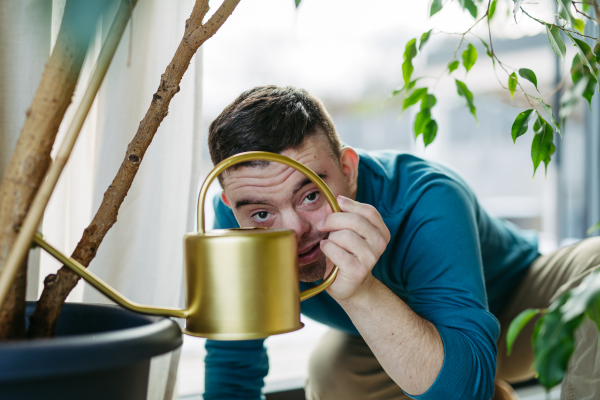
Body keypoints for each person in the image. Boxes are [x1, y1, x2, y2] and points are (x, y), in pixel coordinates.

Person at [202, 85, 600, 400]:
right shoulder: (238, 223)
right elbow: (232, 369)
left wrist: (360, 294)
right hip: (408, 337)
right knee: (333, 373)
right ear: (232, 205)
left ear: (348, 169)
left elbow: (465, 389)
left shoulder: (426, 196)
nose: (295, 231)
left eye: (310, 195)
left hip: (518, 306)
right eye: (261, 214)